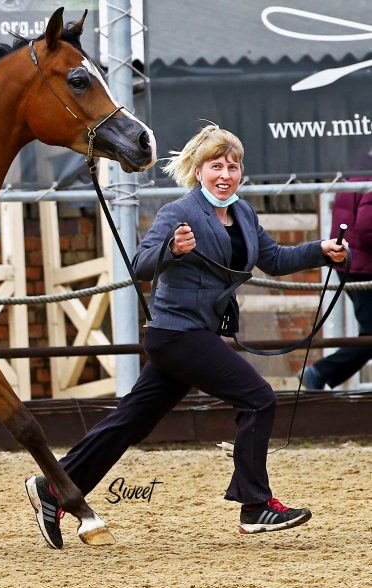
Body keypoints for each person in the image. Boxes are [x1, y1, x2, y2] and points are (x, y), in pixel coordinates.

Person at [24, 124, 348, 549]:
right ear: (198, 170)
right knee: (258, 397)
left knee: (129, 423)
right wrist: (171, 251)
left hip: (192, 336)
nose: (225, 174)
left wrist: (321, 250)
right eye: (216, 165)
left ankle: (54, 487)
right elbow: (139, 264)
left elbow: (272, 258)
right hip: (177, 334)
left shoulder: (243, 214)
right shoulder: (179, 212)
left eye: (233, 166)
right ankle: (254, 506)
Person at [302, 162, 372, 390]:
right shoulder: (366, 176)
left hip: (354, 265)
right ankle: (320, 372)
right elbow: (366, 229)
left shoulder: (356, 172)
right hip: (363, 268)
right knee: (370, 335)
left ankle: (320, 373)